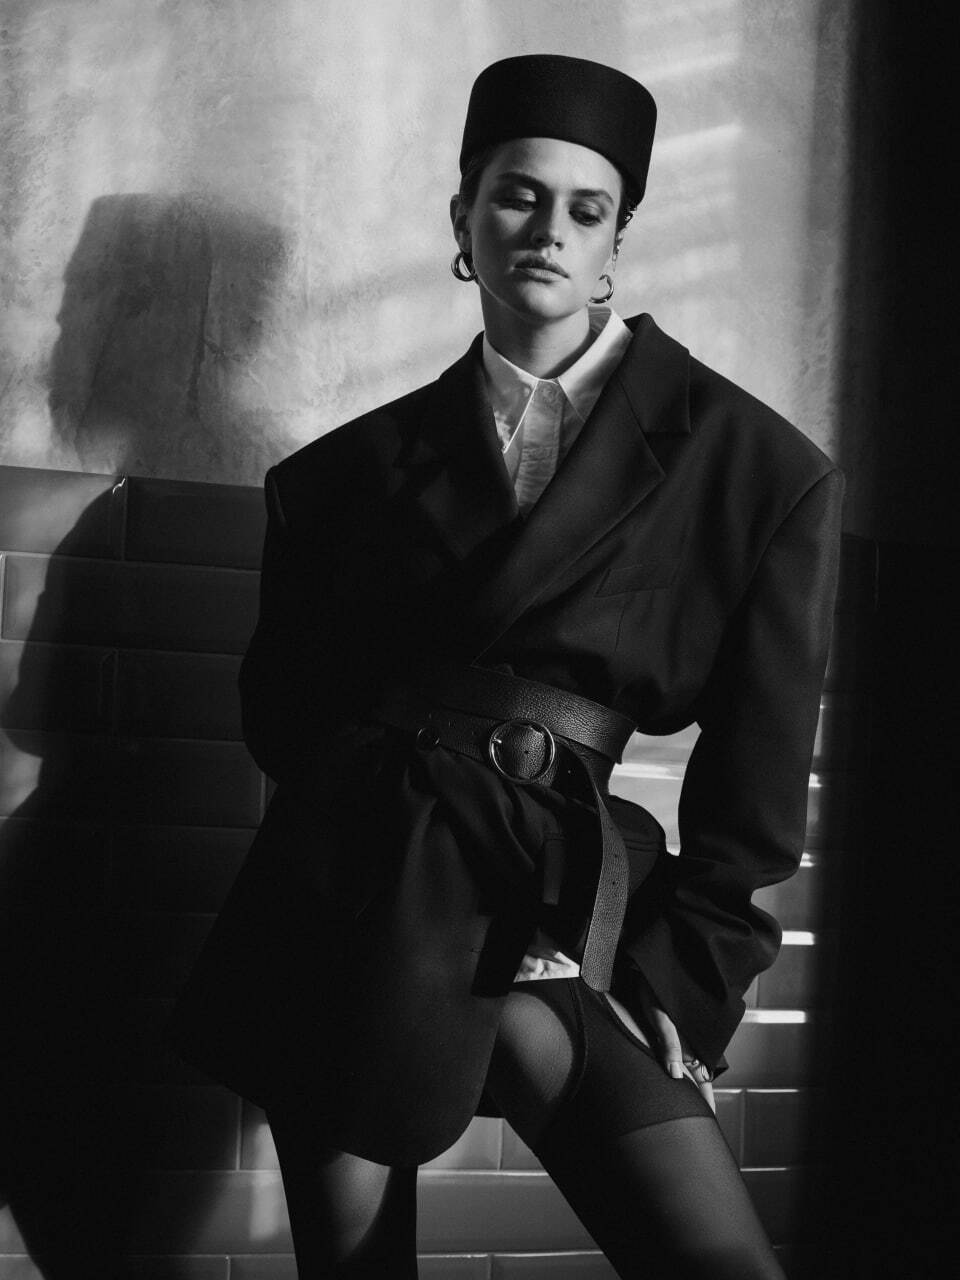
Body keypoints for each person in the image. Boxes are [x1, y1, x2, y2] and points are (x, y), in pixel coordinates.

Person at [171, 54, 843, 1278]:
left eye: (587, 209)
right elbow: (284, 717)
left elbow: (756, 785)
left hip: (574, 905)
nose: (549, 230)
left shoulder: (757, 467)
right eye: (518, 196)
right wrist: (388, 805)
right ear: (464, 216)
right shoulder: (337, 478)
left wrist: (686, 977)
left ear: (618, 238)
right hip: (363, 894)